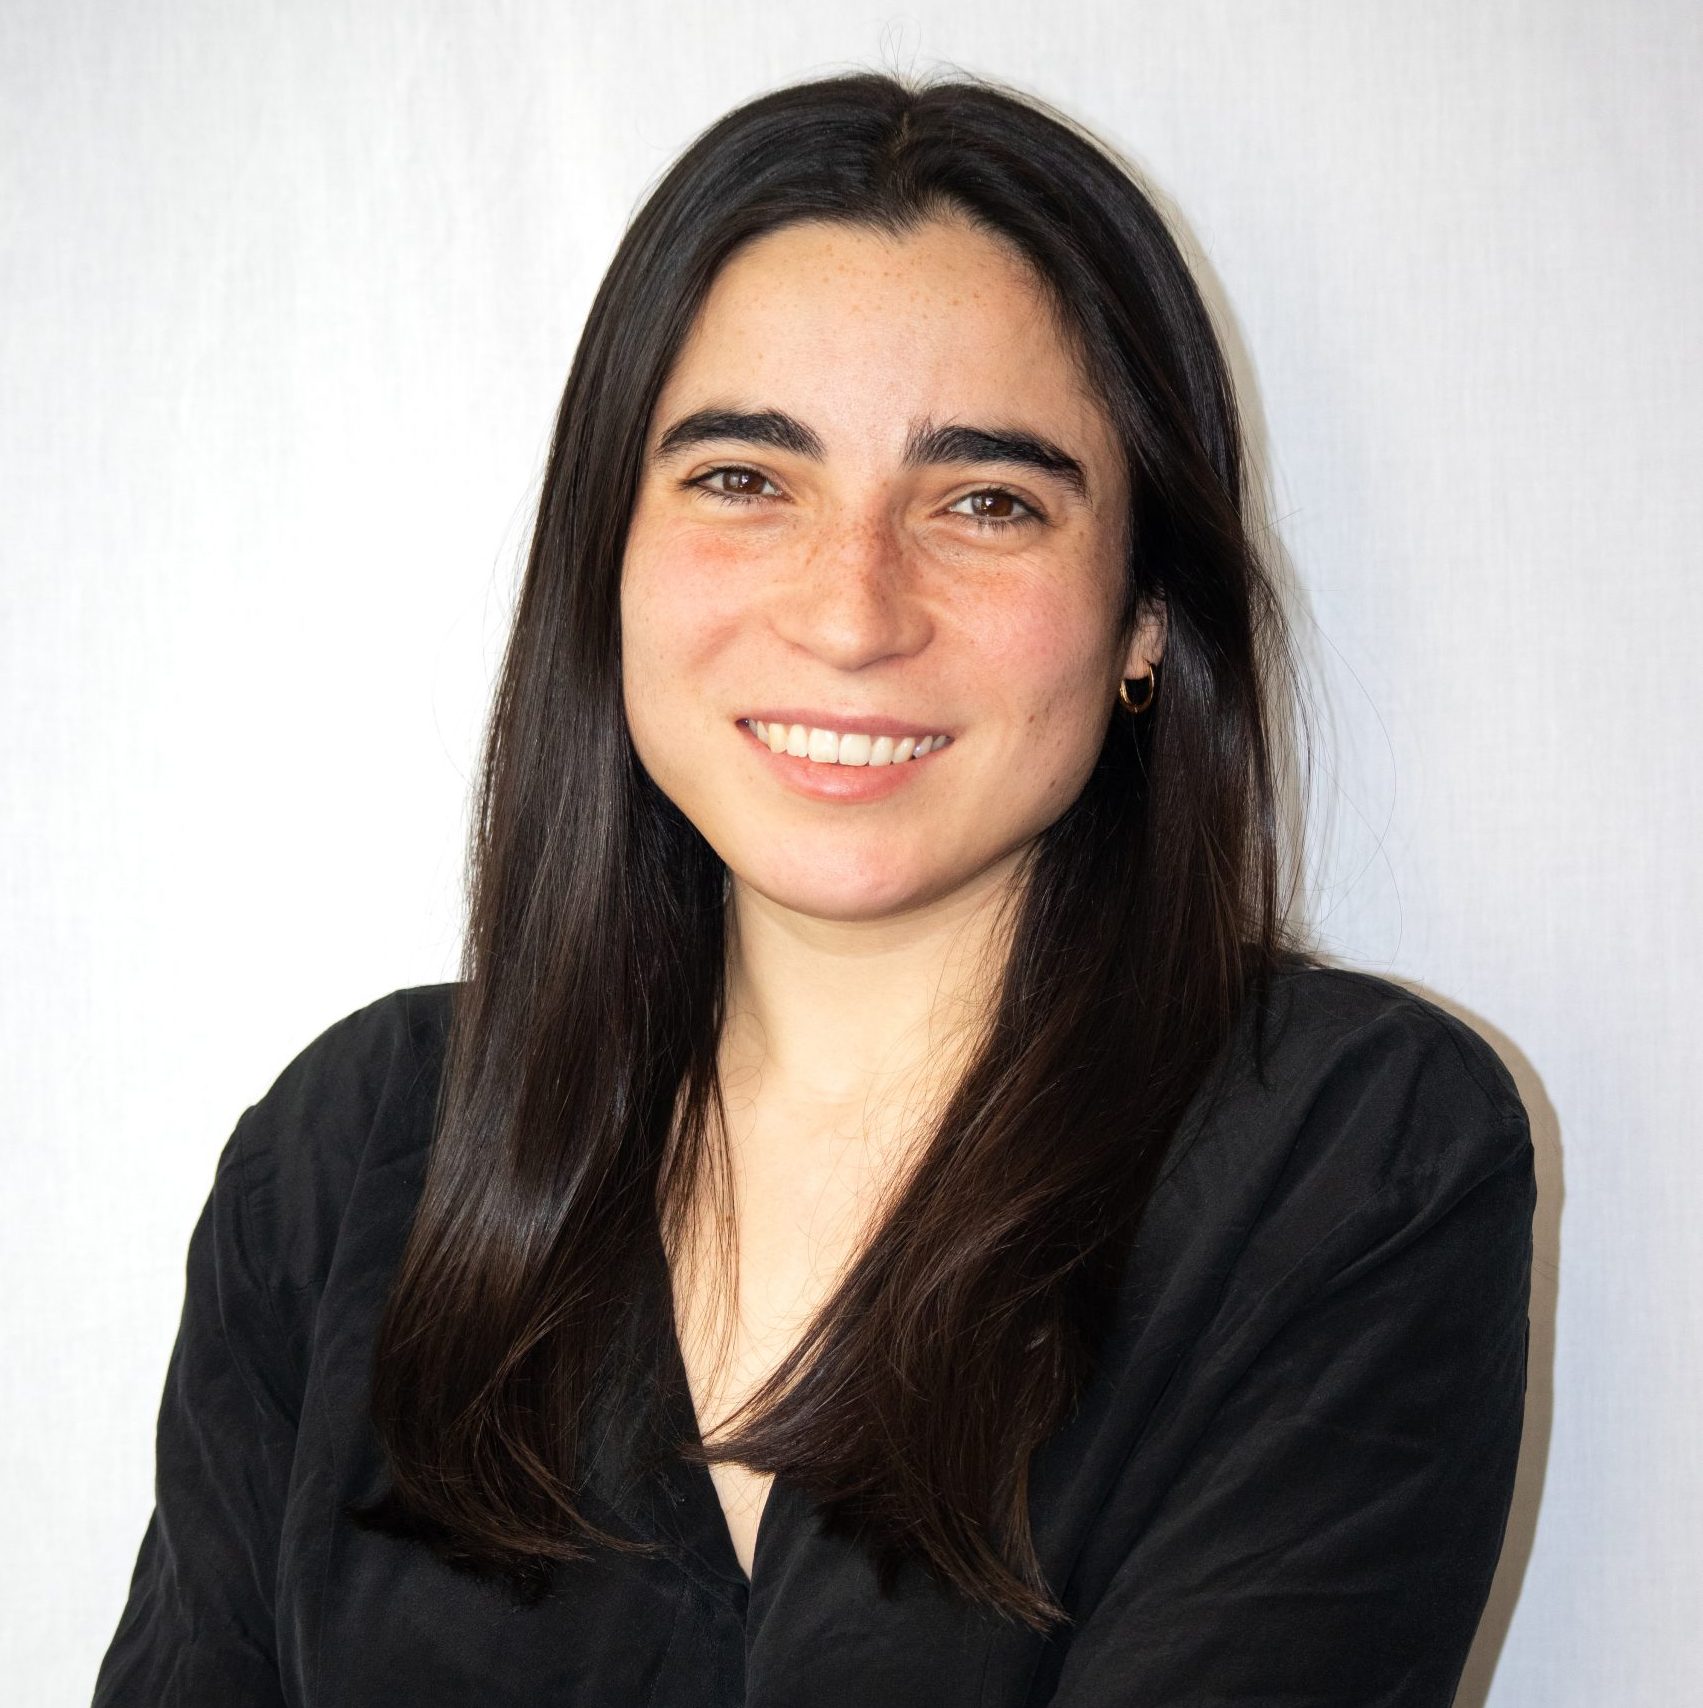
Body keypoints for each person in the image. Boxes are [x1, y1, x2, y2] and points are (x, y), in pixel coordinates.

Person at [93, 69, 1534, 1707]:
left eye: (987, 501)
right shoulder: (348, 1160)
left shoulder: (1351, 1164)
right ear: (606, 564)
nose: (854, 612)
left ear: (1146, 618)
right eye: (744, 480)